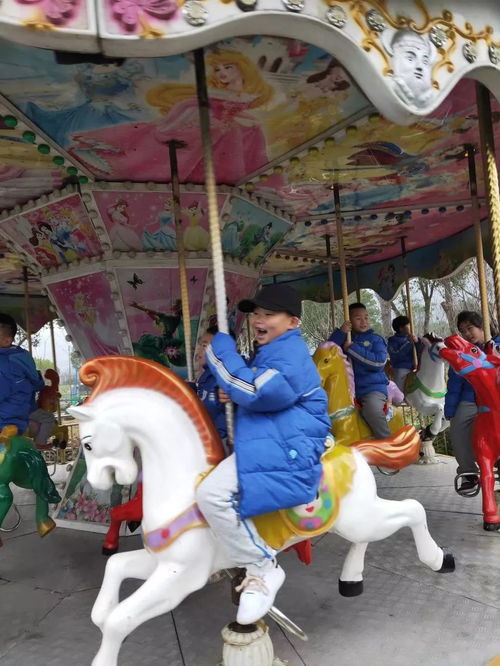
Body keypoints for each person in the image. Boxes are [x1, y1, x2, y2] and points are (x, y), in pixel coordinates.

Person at [196, 284, 330, 624]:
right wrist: (234, 394)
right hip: (275, 432)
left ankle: (261, 565)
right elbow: (255, 389)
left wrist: (220, 352)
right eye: (255, 313)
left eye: (269, 314)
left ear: (293, 322)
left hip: (290, 443)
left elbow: (258, 391)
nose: (258, 320)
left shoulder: (289, 354)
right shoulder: (271, 351)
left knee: (211, 494)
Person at [444, 311, 500, 491]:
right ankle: (468, 472)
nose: (467, 334)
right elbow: (454, 383)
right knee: (458, 429)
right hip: (469, 399)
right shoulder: (462, 353)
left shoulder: (497, 346)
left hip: (495, 400)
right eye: (463, 331)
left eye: (470, 328)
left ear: (482, 326)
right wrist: (450, 408)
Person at [329, 303, 390, 438]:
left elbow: (378, 363)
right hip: (349, 390)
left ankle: (386, 440)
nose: (364, 321)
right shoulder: (345, 339)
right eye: (358, 318)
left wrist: (352, 349)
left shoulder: (375, 339)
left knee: (372, 410)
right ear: (349, 321)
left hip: (372, 388)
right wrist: (341, 333)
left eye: (366, 317)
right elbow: (328, 349)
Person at [0, 313, 45, 436]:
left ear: (7, 341)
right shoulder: (21, 358)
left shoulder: (4, 364)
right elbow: (37, 383)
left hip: (5, 420)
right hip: (21, 415)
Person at [194, 325, 227, 442]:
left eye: (204, 346)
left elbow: (225, 415)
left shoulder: (222, 377)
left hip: (218, 440)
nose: (199, 350)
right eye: (200, 345)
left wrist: (214, 438)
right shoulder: (207, 376)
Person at [387, 315, 421, 391]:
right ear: (401, 328)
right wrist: (409, 343)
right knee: (400, 390)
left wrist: (417, 342)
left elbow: (421, 351)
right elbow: (396, 355)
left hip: (415, 367)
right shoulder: (392, 341)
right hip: (401, 368)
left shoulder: (412, 338)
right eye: (408, 325)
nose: (410, 327)